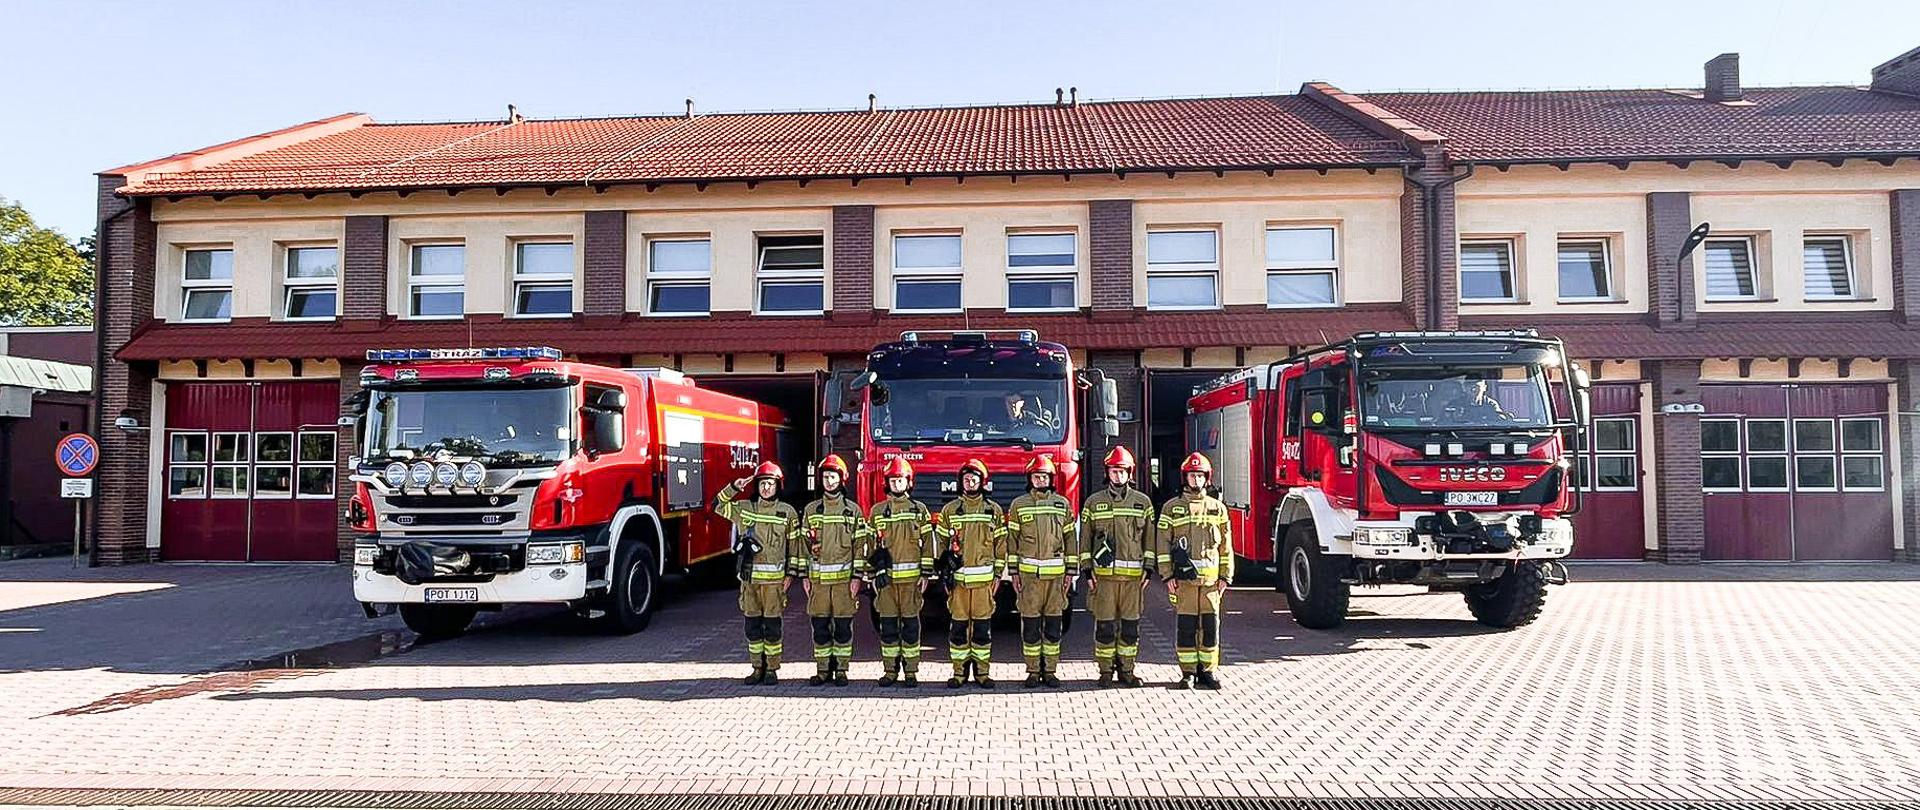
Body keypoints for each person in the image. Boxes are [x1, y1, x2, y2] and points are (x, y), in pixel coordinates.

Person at [712, 461, 801, 686]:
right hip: (749, 582)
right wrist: (734, 487)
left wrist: (791, 575)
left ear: (778, 486)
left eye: (770, 483)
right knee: (752, 628)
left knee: (772, 628)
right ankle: (756, 668)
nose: (766, 488)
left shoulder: (788, 513)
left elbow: (795, 548)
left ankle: (771, 669)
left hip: (774, 585)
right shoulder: (744, 508)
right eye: (762, 483)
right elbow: (717, 505)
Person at [1155, 452, 1233, 690]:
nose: (1196, 480)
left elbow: (1225, 546)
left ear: (1207, 478)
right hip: (1184, 582)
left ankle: (1208, 671)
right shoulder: (1171, 508)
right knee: (1187, 627)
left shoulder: (1218, 509)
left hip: (1211, 583)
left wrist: (1225, 576)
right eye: (1192, 476)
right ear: (1185, 478)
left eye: (1200, 476)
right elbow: (1162, 544)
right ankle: (1188, 672)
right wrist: (1167, 575)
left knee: (1210, 627)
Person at [1079, 446, 1155, 688]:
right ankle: (1105, 672)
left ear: (1130, 473)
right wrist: (1087, 570)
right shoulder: (1093, 503)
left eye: (1122, 471)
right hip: (1103, 580)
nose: (1118, 475)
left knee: (1130, 628)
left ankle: (1127, 671)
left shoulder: (1143, 503)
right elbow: (1085, 541)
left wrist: (1149, 569)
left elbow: (1150, 540)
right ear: (1107, 473)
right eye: (1114, 471)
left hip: (1133, 580)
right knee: (1105, 627)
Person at [1006, 454, 1078, 688]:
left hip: (1056, 580)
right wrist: (1013, 572)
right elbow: (1012, 540)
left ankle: (1050, 671)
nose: (1040, 480)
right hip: (1029, 580)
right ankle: (1033, 671)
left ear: (1051, 479)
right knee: (1030, 627)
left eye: (1044, 477)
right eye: (1036, 477)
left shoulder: (1062, 504)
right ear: (1030, 479)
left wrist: (1071, 572)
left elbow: (1070, 539)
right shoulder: (1019, 505)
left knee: (1054, 627)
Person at [798, 454, 870, 686]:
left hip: (843, 584)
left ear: (842, 479)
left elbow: (860, 547)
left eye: (833, 477)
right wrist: (804, 576)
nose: (829, 481)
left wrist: (857, 578)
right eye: (826, 477)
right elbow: (803, 546)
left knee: (842, 628)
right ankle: (822, 670)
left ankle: (841, 670)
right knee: (819, 627)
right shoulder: (811, 510)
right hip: (818, 584)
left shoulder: (853, 511)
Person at [937, 459, 1008, 688]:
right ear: (961, 482)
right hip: (958, 583)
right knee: (958, 629)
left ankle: (982, 673)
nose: (970, 483)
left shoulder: (993, 510)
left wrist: (998, 574)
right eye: (966, 479)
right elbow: (941, 543)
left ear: (982, 482)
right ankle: (959, 673)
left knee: (982, 631)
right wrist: (944, 571)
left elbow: (1001, 545)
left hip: (984, 584)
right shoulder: (949, 510)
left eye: (974, 479)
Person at [866, 457, 935, 687]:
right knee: (887, 628)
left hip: (911, 583)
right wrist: (872, 574)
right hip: (886, 583)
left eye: (901, 480)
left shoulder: (919, 510)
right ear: (887, 483)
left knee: (911, 628)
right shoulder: (877, 512)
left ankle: (911, 671)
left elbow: (928, 545)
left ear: (909, 482)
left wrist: (925, 573)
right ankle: (890, 671)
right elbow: (869, 546)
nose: (896, 484)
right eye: (893, 480)